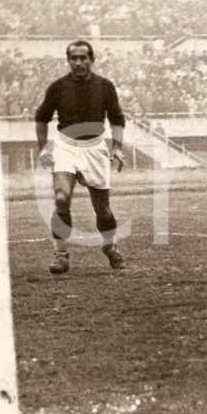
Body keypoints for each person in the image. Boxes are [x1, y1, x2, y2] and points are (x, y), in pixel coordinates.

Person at [35, 40, 127, 274]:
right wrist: (43, 148)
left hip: (95, 148)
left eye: (83, 57)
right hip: (66, 147)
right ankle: (61, 256)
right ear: (68, 61)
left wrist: (117, 147)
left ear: (91, 60)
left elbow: (117, 118)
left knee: (103, 211)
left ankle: (110, 247)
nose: (78, 62)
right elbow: (41, 116)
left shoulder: (105, 86)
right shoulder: (58, 87)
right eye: (73, 58)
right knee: (61, 199)